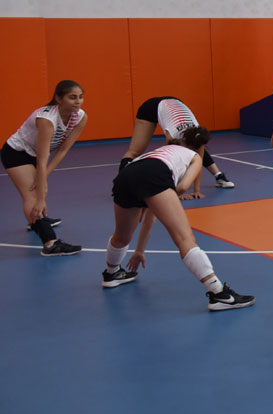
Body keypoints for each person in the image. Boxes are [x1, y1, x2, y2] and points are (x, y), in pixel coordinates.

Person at [101, 125, 254, 310]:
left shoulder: (163, 149)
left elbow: (151, 214)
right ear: (201, 147)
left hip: (126, 175)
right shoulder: (195, 157)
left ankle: (111, 273)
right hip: (154, 175)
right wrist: (162, 198)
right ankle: (219, 294)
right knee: (185, 239)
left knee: (121, 236)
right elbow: (182, 188)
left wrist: (139, 250)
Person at [3, 80, 86, 256]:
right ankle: (50, 243)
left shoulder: (80, 117)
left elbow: (63, 150)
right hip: (17, 153)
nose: (78, 101)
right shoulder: (47, 119)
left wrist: (44, 177)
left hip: (35, 155)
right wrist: (41, 196)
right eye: (72, 98)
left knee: (39, 188)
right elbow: (42, 159)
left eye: (80, 97)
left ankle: (36, 220)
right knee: (33, 196)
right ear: (58, 98)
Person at [120, 96, 234, 197]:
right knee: (134, 151)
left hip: (175, 103)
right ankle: (121, 183)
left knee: (196, 153)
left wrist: (196, 191)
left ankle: (219, 176)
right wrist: (179, 192)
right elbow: (169, 165)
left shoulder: (198, 136)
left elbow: (198, 161)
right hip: (151, 108)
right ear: (183, 141)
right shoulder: (172, 136)